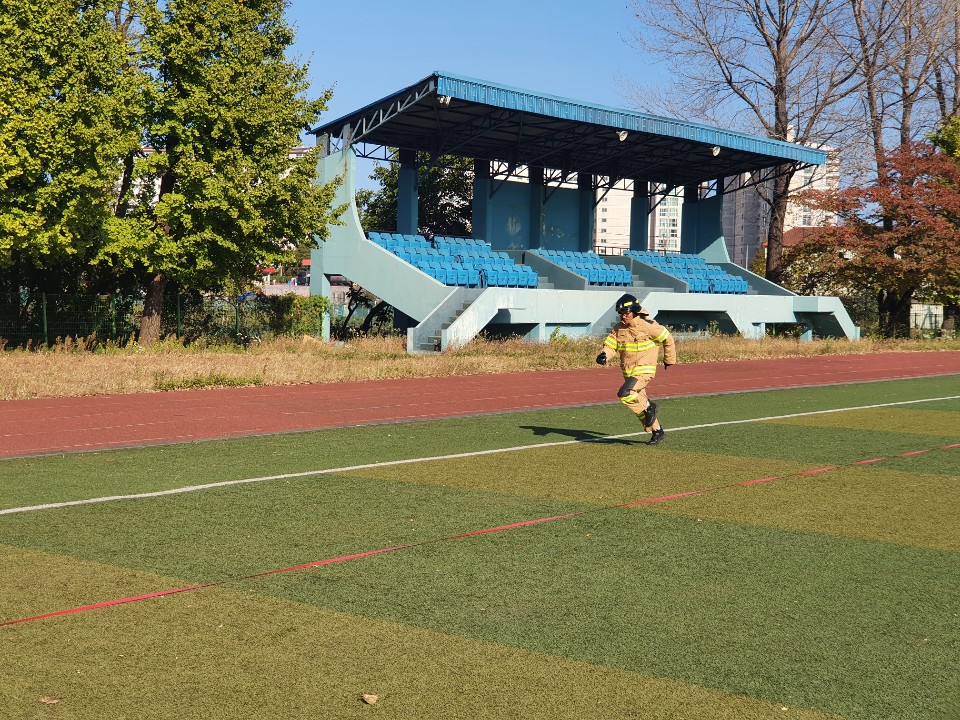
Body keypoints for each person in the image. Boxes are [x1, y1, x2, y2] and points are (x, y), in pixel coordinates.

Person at [595, 293, 676, 445]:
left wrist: (669, 359)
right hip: (628, 372)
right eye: (620, 313)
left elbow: (667, 338)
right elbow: (611, 346)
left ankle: (650, 407)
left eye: (626, 313)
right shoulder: (618, 329)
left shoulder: (648, 325)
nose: (623, 316)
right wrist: (604, 355)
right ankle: (657, 431)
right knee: (639, 405)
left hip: (644, 370)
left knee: (625, 393)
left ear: (634, 311)